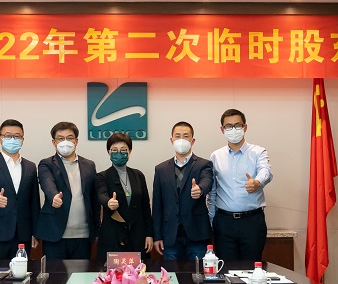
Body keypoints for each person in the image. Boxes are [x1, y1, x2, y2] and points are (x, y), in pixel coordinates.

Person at [208, 109, 273, 261]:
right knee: (225, 268)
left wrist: (257, 182)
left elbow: (266, 171)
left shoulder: (258, 152)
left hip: (252, 222)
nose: (233, 129)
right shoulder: (216, 156)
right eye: (229, 126)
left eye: (237, 125)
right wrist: (212, 220)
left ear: (245, 127)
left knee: (252, 267)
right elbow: (213, 191)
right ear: (222, 129)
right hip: (224, 223)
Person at [0, 119, 40, 260]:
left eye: (17, 136)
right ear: (0, 139)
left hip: (23, 235)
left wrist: (36, 232)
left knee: (22, 272)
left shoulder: (30, 167)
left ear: (22, 140)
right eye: (8, 136)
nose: (12, 139)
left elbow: (34, 202)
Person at [36, 122, 99, 259]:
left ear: (76, 141)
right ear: (54, 142)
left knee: (82, 272)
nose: (65, 142)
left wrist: (97, 230)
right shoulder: (47, 164)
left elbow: (94, 198)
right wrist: (54, 196)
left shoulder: (89, 165)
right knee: (54, 272)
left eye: (69, 138)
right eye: (60, 138)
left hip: (83, 235)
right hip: (55, 233)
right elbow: (46, 182)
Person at [152, 122, 213, 260]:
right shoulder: (161, 169)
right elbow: (157, 206)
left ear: (193, 141)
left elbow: (207, 181)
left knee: (198, 272)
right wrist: (157, 236)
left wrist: (200, 189)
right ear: (171, 140)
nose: (181, 140)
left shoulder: (204, 164)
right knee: (170, 273)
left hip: (197, 234)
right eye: (177, 136)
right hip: (170, 235)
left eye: (186, 136)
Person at [96, 133, 154, 262]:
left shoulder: (138, 175)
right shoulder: (102, 176)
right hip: (113, 236)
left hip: (137, 235)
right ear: (108, 152)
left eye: (123, 150)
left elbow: (145, 206)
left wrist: (149, 234)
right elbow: (101, 194)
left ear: (130, 152)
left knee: (139, 273)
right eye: (114, 150)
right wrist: (108, 202)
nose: (119, 153)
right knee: (113, 273)